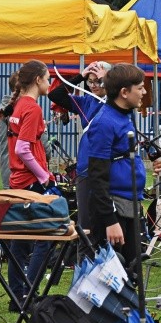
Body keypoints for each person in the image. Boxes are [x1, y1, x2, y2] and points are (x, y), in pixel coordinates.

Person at [76, 64, 152, 272]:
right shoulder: (104, 122)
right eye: (140, 87)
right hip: (113, 210)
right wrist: (110, 221)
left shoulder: (124, 116)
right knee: (111, 275)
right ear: (124, 93)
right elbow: (97, 177)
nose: (144, 92)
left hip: (129, 204)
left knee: (131, 271)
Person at [6, 60, 58, 309]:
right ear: (37, 80)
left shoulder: (19, 105)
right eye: (48, 78)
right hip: (30, 182)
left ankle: (16, 295)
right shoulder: (33, 108)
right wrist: (44, 176)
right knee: (45, 238)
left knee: (20, 240)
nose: (50, 83)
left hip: (18, 181)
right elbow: (23, 148)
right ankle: (27, 293)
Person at [48, 61, 111, 233]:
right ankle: (86, 258)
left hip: (108, 168)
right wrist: (80, 77)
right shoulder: (87, 101)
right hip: (85, 167)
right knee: (86, 223)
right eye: (90, 82)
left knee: (108, 221)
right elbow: (55, 95)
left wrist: (108, 80)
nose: (94, 86)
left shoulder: (116, 101)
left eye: (98, 81)